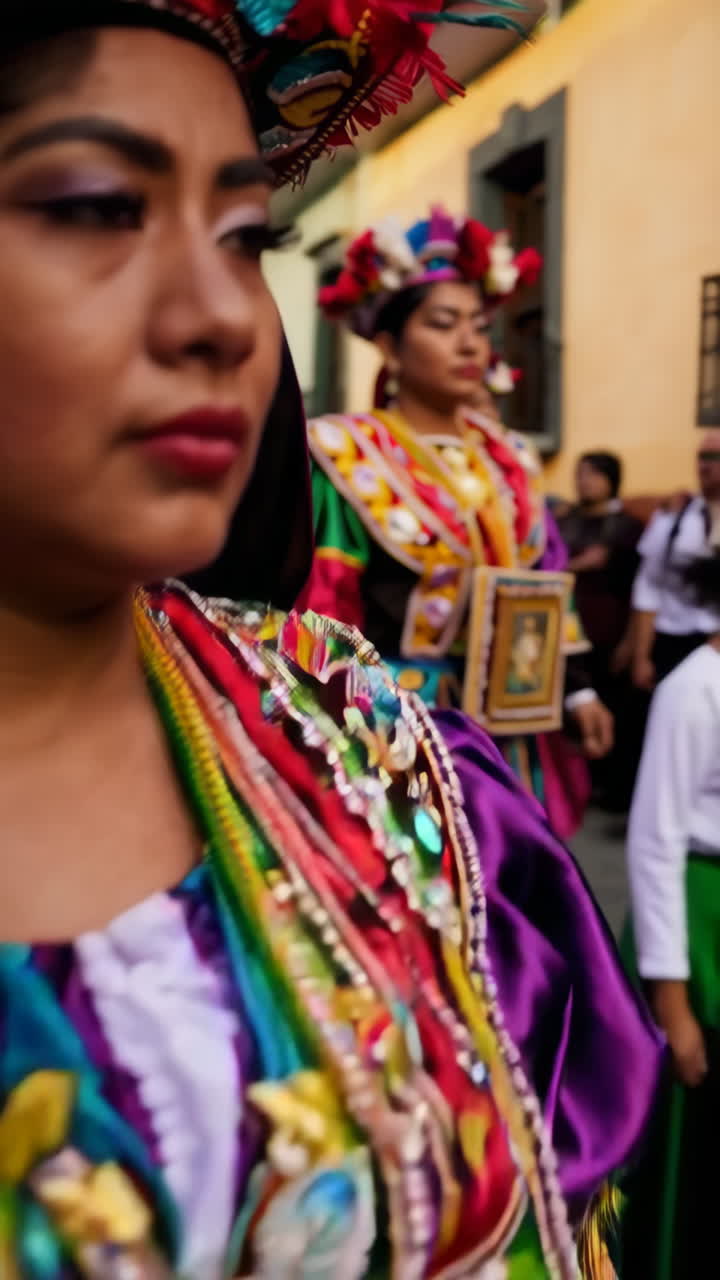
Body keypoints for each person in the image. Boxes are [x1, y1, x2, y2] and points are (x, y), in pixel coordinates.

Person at [0, 8, 661, 1278]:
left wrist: (562, 679)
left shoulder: (391, 759)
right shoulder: (355, 484)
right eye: (97, 207)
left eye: (247, 237)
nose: (226, 318)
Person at [302, 208, 612, 838]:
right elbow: (324, 610)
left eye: (478, 326)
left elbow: (548, 578)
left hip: (519, 736)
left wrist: (577, 690)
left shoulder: (510, 457)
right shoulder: (345, 455)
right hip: (402, 729)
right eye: (444, 325)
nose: (471, 345)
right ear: (389, 343)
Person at [622, 552, 720, 1276]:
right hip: (696, 919)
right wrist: (672, 994)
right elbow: (655, 841)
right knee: (691, 1134)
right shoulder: (694, 691)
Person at [558, 452, 644, 810]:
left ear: (612, 479)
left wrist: (632, 642)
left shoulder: (627, 526)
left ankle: (612, 788)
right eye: (581, 474)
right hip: (569, 632)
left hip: (609, 631)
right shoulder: (565, 522)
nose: (585, 481)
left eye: (594, 475)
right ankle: (578, 780)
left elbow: (639, 587)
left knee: (613, 708)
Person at [631, 429, 720, 690]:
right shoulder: (673, 517)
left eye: (715, 456)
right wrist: (641, 656)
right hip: (674, 640)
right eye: (702, 456)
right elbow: (648, 586)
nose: (706, 465)